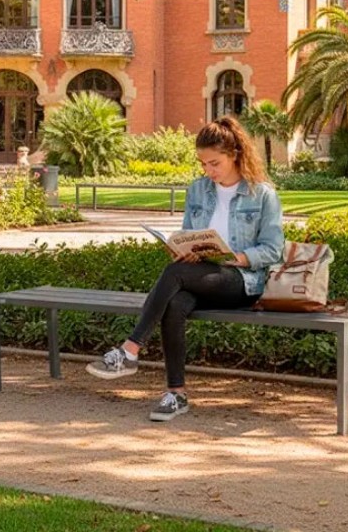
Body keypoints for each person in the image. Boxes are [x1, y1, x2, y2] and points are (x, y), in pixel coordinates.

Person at [86, 115, 284, 421]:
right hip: (202, 275)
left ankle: (130, 350)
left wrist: (237, 257)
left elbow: (273, 249)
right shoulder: (198, 190)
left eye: (214, 163)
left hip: (242, 282)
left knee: (173, 274)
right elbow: (189, 233)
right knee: (176, 301)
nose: (208, 171)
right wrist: (187, 250)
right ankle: (175, 394)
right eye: (203, 164)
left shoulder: (263, 194)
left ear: (235, 155)